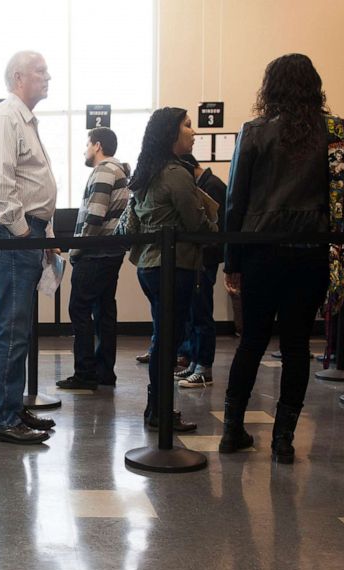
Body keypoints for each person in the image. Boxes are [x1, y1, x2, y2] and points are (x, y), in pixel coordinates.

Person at [220, 54, 344, 463]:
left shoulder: (254, 131)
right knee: (297, 345)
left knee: (251, 342)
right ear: (314, 85)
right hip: (312, 252)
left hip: (260, 252)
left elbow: (235, 201)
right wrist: (341, 247)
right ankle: (283, 439)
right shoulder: (336, 131)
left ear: (271, 87)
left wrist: (233, 260)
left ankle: (232, 430)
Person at [0, 51, 59, 444]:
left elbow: (30, 183)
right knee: (12, 328)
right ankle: (2, 418)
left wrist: (41, 234)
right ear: (19, 77)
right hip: (12, 233)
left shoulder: (23, 119)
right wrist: (25, 231)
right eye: (41, 72)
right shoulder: (6, 118)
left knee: (18, 328)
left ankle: (11, 408)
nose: (48, 77)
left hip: (23, 233)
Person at [128, 107, 216, 433]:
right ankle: (161, 411)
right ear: (172, 133)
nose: (194, 132)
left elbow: (132, 223)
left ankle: (157, 408)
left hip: (149, 267)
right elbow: (196, 223)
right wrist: (213, 220)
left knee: (161, 339)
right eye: (188, 125)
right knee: (168, 340)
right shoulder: (177, 174)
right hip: (174, 266)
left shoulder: (146, 173)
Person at [57, 127, 129, 391]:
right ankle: (104, 372)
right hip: (111, 252)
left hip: (95, 253)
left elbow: (94, 217)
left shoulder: (103, 171)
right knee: (104, 311)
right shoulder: (119, 171)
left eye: (87, 144)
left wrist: (76, 250)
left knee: (79, 309)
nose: (84, 150)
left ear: (97, 145)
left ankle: (85, 373)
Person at [174, 154, 227, 388]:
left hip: (206, 257)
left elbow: (213, 224)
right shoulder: (205, 184)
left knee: (202, 312)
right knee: (194, 311)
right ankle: (195, 361)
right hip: (199, 257)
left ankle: (204, 365)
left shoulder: (213, 186)